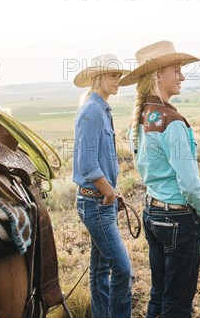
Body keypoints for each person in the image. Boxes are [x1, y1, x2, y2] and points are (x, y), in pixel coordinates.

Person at [120, 41, 200, 318]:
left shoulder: (142, 117)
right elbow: (189, 182)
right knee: (178, 304)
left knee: (159, 295)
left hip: (153, 212)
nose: (182, 76)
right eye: (177, 70)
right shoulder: (172, 121)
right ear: (158, 74)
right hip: (179, 219)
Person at [72, 53, 133, 318]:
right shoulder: (92, 110)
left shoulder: (101, 108)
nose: (117, 80)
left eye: (118, 75)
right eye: (111, 75)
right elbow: (86, 163)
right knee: (122, 269)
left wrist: (111, 190)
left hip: (101, 201)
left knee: (100, 270)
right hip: (96, 202)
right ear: (97, 78)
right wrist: (108, 191)